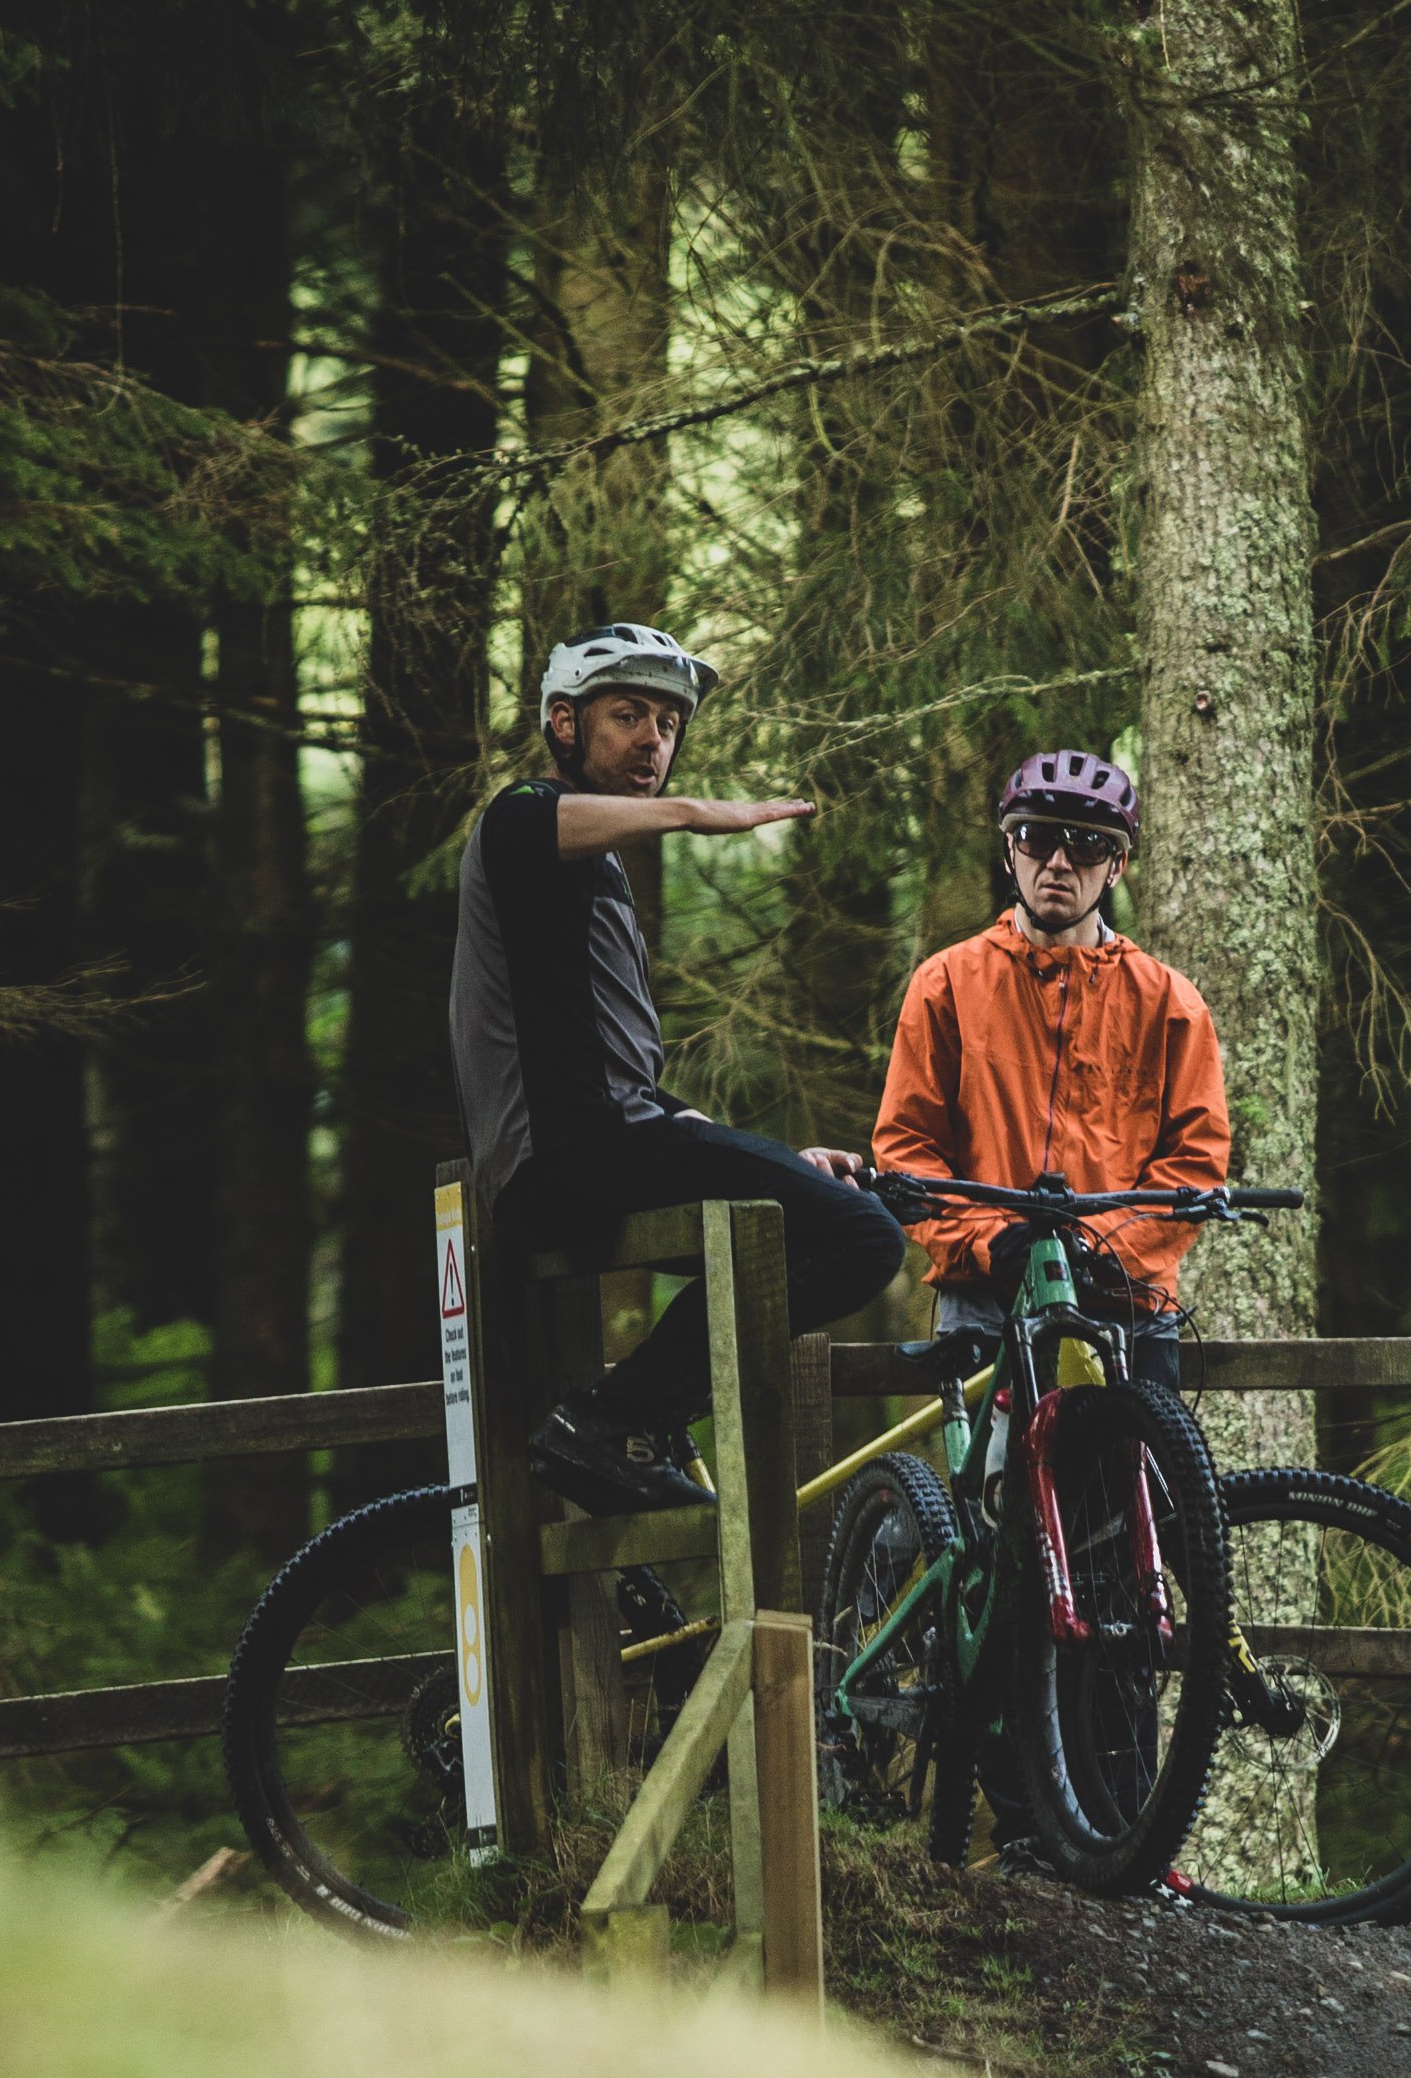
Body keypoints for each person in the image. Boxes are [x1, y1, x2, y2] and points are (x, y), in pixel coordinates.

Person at [450, 622, 906, 1515]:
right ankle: (615, 1419)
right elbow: (534, 824)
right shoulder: (518, 821)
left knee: (829, 1217)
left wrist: (769, 1157)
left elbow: (608, 1067)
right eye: (627, 714)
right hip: (570, 1161)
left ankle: (632, 1423)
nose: (653, 740)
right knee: (864, 1240)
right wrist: (705, 812)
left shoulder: (594, 877)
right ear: (565, 723)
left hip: (613, 1143)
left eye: (667, 722)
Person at [869, 744, 1231, 1385]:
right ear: (1011, 850)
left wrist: (1100, 1246)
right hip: (988, 1296)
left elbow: (1195, 1161)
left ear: (1116, 865)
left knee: (1155, 1483)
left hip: (1127, 1300)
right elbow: (908, 1147)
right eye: (1037, 838)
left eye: (1088, 845)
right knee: (1001, 1481)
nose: (1059, 863)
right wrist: (992, 1241)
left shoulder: (1169, 1002)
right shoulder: (947, 984)